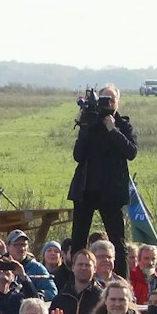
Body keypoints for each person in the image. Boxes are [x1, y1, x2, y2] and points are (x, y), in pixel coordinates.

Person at [67, 84, 138, 269]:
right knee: (78, 240)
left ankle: (122, 282)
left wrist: (112, 130)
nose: (107, 103)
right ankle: (75, 281)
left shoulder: (123, 125)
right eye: (103, 99)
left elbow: (131, 152)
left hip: (111, 191)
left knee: (117, 240)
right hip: (86, 189)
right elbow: (77, 155)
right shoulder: (89, 123)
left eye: (111, 100)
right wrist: (84, 125)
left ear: (117, 103)